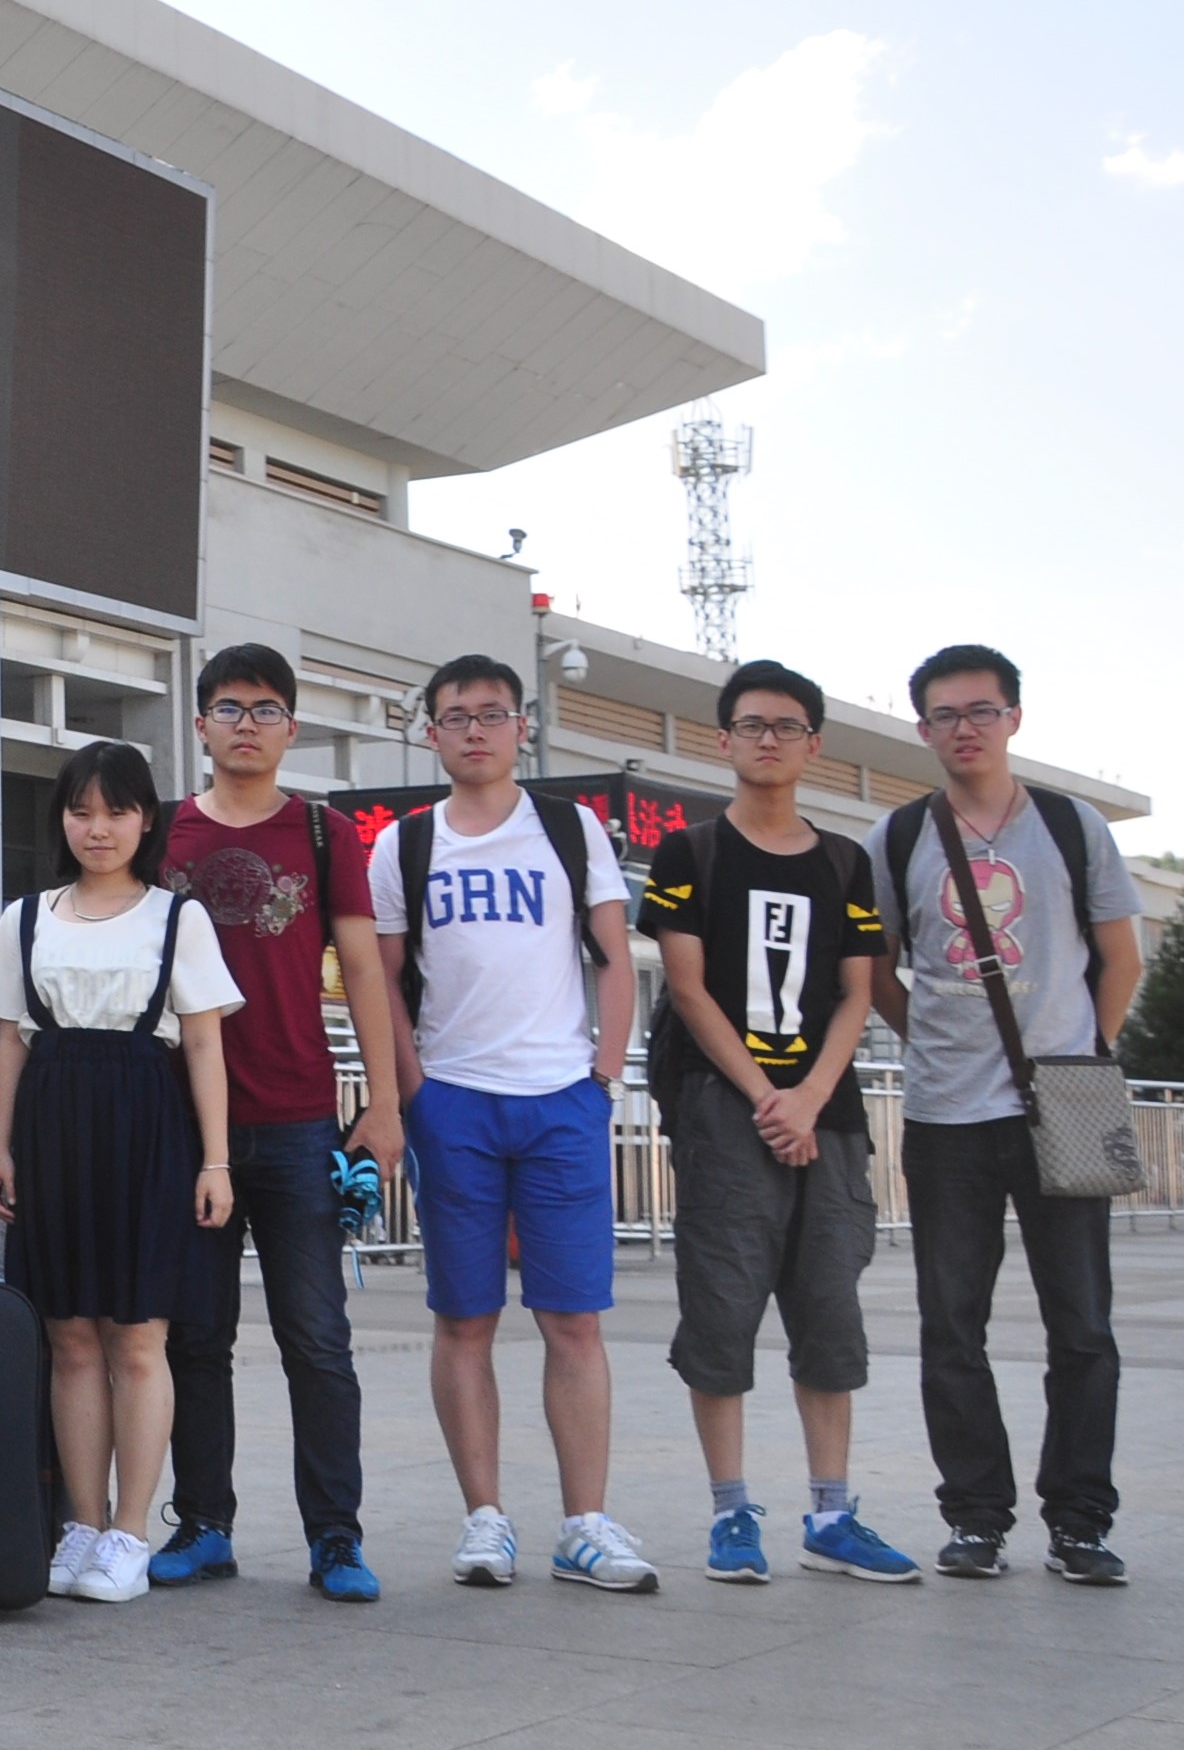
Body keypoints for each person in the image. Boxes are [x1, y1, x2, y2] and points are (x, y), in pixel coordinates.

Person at [367, 655, 653, 1594]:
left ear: (521, 728)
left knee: (574, 1319)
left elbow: (614, 958)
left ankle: (585, 1524)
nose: (476, 731)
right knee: (464, 1317)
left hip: (561, 1098)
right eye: (457, 717)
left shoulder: (570, 829)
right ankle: (484, 1518)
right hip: (454, 1099)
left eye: (492, 714)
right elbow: (383, 979)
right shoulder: (404, 844)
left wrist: (603, 1077)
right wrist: (415, 1091)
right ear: (431, 733)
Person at [637, 661, 916, 1587]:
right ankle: (731, 1513)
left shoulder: (844, 861)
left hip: (826, 1117)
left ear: (813, 745)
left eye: (787, 726)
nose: (769, 739)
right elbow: (687, 987)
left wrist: (809, 1097)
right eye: (752, 725)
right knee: (721, 1312)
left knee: (830, 1313)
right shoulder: (690, 854)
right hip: (726, 1112)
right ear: (724, 740)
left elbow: (857, 992)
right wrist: (769, 1096)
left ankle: (832, 1515)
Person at [879, 644, 1140, 1585]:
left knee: (1084, 1326)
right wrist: (930, 1039)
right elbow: (876, 969)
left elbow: (1121, 956)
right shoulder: (899, 837)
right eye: (946, 715)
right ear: (924, 729)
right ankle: (976, 1516)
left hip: (1061, 1106)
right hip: (945, 1115)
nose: (966, 728)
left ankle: (1080, 1520)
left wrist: (1082, 1054)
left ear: (1014, 719)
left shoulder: (1071, 826)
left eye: (982, 710)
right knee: (953, 1326)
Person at [0, 742, 240, 1608]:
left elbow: (204, 1044)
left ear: (145, 821)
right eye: (81, 811)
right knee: (70, 1338)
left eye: (117, 811)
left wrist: (216, 1161)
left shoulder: (177, 918)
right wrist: (1, 1149)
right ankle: (81, 1525)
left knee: (138, 1337)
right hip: (51, 1129)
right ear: (62, 820)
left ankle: (129, 1533)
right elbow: (10, 1039)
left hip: (147, 1128)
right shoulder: (26, 917)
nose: (98, 828)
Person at [155, 643, 397, 1602]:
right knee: (193, 1338)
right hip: (186, 1130)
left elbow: (364, 971)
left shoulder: (328, 834)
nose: (245, 724)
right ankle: (203, 1524)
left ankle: (336, 1538)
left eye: (264, 709)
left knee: (318, 1341)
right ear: (201, 725)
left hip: (300, 1121)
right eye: (228, 707)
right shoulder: (163, 831)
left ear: (291, 729)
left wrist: (383, 1105)